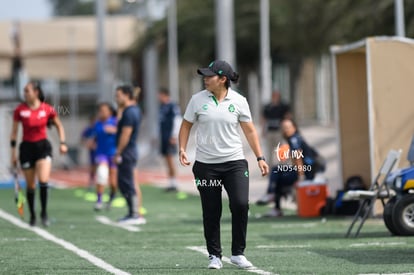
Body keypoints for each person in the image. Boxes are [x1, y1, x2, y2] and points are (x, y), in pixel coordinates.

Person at [178, 60, 269, 270]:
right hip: (206, 167)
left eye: (209, 76)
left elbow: (250, 131)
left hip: (234, 164)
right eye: (205, 75)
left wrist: (260, 157)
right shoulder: (197, 100)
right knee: (211, 210)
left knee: (240, 205)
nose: (205, 79)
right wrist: (182, 149)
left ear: (223, 79)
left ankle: (238, 253)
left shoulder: (239, 101)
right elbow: (186, 126)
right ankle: (215, 256)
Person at [10, 81, 67, 226]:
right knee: (31, 186)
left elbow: (59, 125)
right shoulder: (20, 110)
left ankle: (44, 213)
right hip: (27, 149)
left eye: (27, 91)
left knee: (43, 181)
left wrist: (62, 143)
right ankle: (33, 215)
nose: (25, 94)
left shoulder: (47, 109)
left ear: (36, 92)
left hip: (43, 147)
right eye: (24, 91)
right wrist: (13, 154)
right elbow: (14, 132)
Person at [114, 85, 145, 225]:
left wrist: (118, 151)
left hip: (127, 151)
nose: (116, 98)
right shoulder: (131, 110)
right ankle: (133, 213)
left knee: (127, 183)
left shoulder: (130, 112)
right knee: (126, 182)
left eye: (119, 95)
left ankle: (134, 214)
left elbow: (125, 134)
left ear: (127, 95)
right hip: (130, 151)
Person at [257, 91, 291, 205]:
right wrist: (263, 130)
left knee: (281, 151)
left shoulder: (283, 106)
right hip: (271, 131)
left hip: (279, 131)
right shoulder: (268, 107)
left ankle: (283, 168)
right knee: (270, 153)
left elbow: (287, 116)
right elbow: (264, 119)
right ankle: (270, 172)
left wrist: (287, 128)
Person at [90, 103, 118, 211]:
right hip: (101, 154)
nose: (101, 113)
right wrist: (92, 142)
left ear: (110, 112)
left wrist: (114, 130)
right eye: (100, 110)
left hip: (114, 154)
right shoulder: (97, 123)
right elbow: (95, 135)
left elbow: (123, 133)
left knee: (113, 183)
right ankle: (99, 200)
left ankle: (111, 199)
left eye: (104, 110)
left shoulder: (115, 121)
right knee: (101, 174)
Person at [158, 87, 181, 192]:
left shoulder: (172, 106)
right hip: (164, 137)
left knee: (171, 160)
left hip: (169, 137)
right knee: (167, 160)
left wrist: (174, 135)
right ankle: (171, 182)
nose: (158, 97)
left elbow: (177, 120)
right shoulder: (162, 107)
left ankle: (174, 183)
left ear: (165, 95)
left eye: (160, 95)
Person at [81, 115, 97, 190]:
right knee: (93, 166)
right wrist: (88, 144)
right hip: (92, 152)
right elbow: (82, 140)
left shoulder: (98, 128)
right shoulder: (87, 129)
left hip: (101, 151)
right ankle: (92, 181)